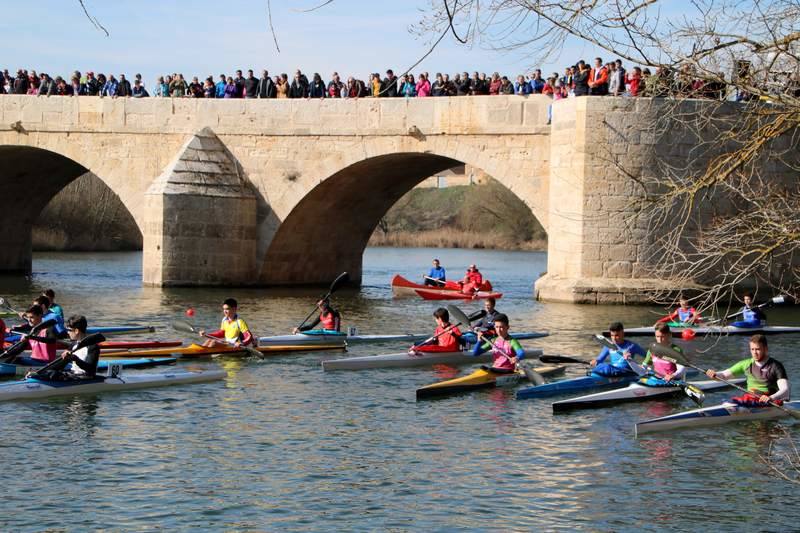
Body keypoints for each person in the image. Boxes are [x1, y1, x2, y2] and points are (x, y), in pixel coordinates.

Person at [706, 334, 789, 405]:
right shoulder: (745, 364)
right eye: (752, 349)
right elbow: (723, 376)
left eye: (758, 349)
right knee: (730, 401)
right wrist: (715, 375)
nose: (754, 353)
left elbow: (785, 390)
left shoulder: (776, 366)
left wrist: (771, 398)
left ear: (766, 349)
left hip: (770, 401)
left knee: (732, 402)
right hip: (752, 399)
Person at [30, 315, 102, 380]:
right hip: (73, 374)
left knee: (53, 374)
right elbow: (62, 363)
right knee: (51, 372)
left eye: (69, 330)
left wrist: (75, 359)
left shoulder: (92, 346)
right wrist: (40, 372)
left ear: (76, 331)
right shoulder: (74, 344)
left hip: (86, 378)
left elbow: (90, 369)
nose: (67, 332)